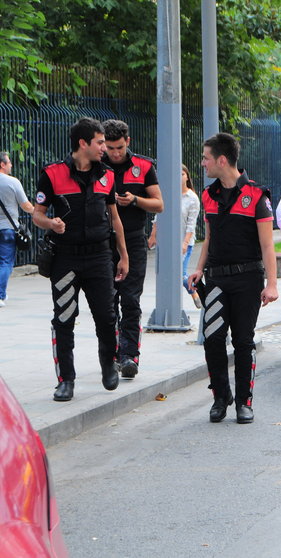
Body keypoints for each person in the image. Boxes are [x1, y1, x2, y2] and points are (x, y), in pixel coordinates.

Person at [32, 117, 130, 401]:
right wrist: (51, 224)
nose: (104, 148)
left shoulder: (107, 175)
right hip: (65, 259)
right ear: (83, 143)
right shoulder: (52, 174)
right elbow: (37, 214)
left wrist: (123, 256)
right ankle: (66, 380)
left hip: (99, 257)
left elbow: (115, 218)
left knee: (107, 316)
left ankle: (108, 365)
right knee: (64, 318)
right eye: (100, 142)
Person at [187, 133, 278, 424]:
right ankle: (220, 397)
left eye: (206, 158)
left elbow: (267, 245)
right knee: (213, 339)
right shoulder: (208, 195)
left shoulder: (257, 196)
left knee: (243, 341)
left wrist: (272, 284)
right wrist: (198, 268)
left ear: (222, 160)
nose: (203, 164)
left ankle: (244, 402)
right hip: (216, 280)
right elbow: (209, 238)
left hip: (248, 280)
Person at [101, 120, 164, 379]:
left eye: (119, 147)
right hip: (103, 241)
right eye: (110, 148)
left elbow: (159, 204)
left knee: (130, 299)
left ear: (128, 142)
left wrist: (135, 200)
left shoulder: (144, 166)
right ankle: (111, 353)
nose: (115, 153)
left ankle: (129, 355)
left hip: (134, 240)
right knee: (106, 302)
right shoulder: (96, 165)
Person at [148, 164, 201, 308]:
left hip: (184, 242)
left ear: (187, 177)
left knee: (179, 273)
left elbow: (191, 223)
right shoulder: (168, 194)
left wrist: (185, 242)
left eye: (182, 174)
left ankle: (195, 292)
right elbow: (158, 216)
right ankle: (173, 299)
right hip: (167, 241)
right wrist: (153, 235)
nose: (179, 177)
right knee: (167, 272)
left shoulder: (192, 198)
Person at [0, 151, 34, 307]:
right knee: (5, 262)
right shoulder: (12, 182)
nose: (11, 165)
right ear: (2, 164)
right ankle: (0, 295)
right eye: (9, 162)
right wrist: (38, 213)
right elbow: (25, 205)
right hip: (7, 228)